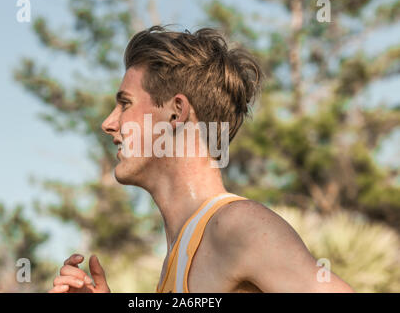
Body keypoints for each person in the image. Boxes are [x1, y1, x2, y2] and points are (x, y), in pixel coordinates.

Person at [48, 26, 354, 293]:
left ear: (175, 112)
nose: (108, 123)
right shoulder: (180, 254)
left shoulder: (237, 226)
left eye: (125, 104)